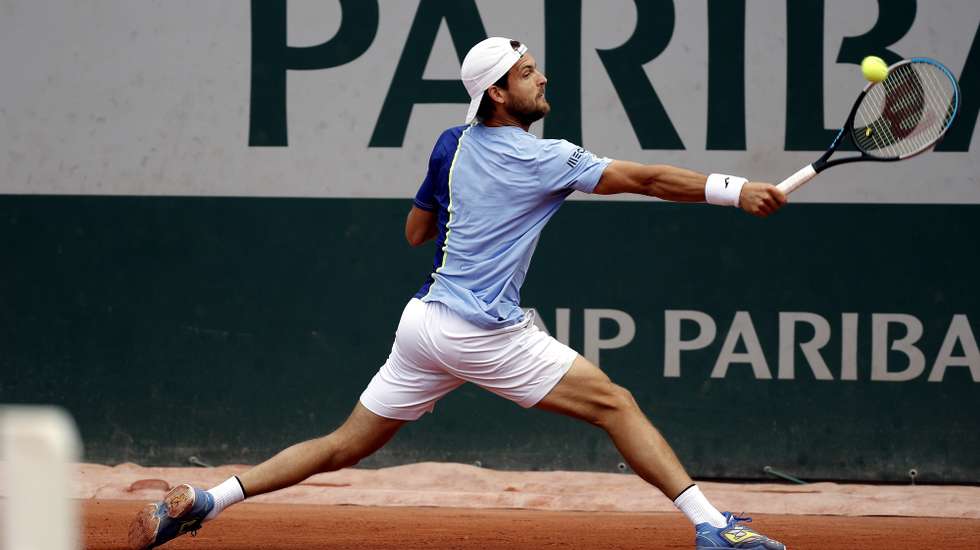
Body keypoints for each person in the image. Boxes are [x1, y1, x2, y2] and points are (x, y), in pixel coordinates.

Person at [129, 37, 788, 550]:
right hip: (481, 330)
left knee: (342, 444)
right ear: (498, 93)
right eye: (529, 74)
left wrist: (468, 208)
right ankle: (712, 527)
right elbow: (644, 178)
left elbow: (416, 231)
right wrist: (735, 190)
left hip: (423, 326)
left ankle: (206, 500)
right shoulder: (543, 158)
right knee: (616, 405)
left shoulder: (452, 143)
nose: (543, 78)